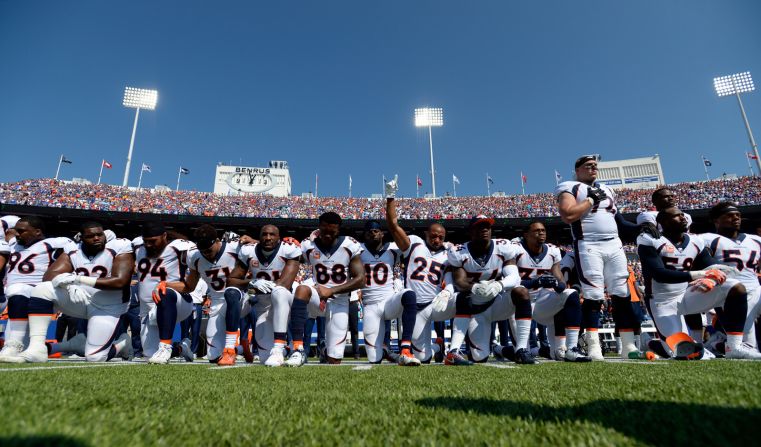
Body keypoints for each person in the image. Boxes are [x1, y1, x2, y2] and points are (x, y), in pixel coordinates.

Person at [556, 155, 654, 360]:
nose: (593, 168)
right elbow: (568, 214)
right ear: (577, 170)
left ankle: (628, 346)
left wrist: (640, 227)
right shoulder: (570, 186)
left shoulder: (607, 189)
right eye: (587, 166)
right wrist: (591, 200)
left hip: (614, 244)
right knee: (593, 295)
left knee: (622, 294)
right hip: (589, 244)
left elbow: (618, 221)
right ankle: (593, 347)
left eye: (595, 166)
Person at [638, 207, 759, 359]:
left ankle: (734, 347)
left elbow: (713, 265)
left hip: (687, 295)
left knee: (735, 287)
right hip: (662, 301)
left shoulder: (695, 241)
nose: (682, 218)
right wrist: (701, 274)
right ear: (663, 222)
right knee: (686, 353)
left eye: (682, 215)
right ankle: (650, 343)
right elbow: (659, 274)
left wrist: (713, 277)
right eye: (676, 216)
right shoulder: (650, 240)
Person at [14, 221, 135, 362]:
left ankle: (122, 344)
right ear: (81, 238)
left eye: (99, 234)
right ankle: (37, 348)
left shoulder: (119, 246)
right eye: (91, 236)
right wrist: (66, 285)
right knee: (42, 289)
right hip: (81, 299)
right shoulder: (73, 248)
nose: (97, 238)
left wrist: (77, 280)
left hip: (109, 307)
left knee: (95, 357)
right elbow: (49, 276)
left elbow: (120, 282)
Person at [385, 176, 453, 363]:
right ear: (426, 234)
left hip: (436, 304)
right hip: (415, 308)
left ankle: (457, 349)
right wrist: (390, 196)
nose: (437, 240)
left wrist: (448, 292)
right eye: (434, 236)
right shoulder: (415, 243)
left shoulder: (448, 254)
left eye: (441, 237)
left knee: (466, 299)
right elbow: (393, 225)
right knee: (423, 358)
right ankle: (438, 345)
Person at [444, 216, 529, 365]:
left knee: (520, 292)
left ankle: (522, 349)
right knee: (479, 357)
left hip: (498, 302)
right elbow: (459, 282)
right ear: (471, 231)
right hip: (476, 309)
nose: (484, 230)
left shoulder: (503, 247)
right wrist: (475, 287)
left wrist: (499, 285)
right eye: (479, 227)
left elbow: (514, 276)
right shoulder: (459, 252)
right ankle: (499, 349)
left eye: (487, 227)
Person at [0, 216, 75, 361]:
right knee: (23, 348)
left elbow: (76, 256)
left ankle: (13, 346)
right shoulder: (13, 243)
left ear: (37, 232)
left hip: (40, 292)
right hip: (15, 298)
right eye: (16, 231)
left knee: (18, 289)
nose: (17, 234)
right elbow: (8, 228)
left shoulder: (54, 243)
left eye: (22, 231)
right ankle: (71, 345)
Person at [293, 212, 365, 365]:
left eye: (332, 231)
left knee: (334, 361)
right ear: (319, 227)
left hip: (339, 301)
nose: (327, 234)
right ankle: (297, 348)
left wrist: (331, 290)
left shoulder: (349, 245)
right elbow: (289, 258)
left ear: (338, 230)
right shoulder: (308, 245)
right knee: (302, 289)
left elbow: (361, 280)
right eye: (324, 230)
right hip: (317, 297)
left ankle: (326, 352)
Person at [513, 221, 590, 362]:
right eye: (537, 230)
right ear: (526, 234)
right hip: (515, 305)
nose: (541, 233)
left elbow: (561, 282)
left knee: (571, 294)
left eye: (543, 230)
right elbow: (510, 281)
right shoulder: (515, 250)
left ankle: (572, 348)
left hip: (540, 303)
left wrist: (555, 283)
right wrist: (535, 282)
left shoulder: (553, 251)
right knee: (484, 355)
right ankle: (505, 349)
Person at [230, 224, 305, 366]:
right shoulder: (248, 251)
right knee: (265, 359)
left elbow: (285, 284)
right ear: (259, 237)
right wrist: (251, 282)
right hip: (263, 308)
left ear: (279, 238)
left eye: (272, 235)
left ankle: (281, 348)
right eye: (264, 234)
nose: (268, 238)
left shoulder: (288, 249)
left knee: (279, 291)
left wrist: (255, 287)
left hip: (286, 303)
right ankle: (283, 351)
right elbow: (231, 280)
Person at [699, 202, 761, 352]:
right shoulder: (706, 239)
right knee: (748, 346)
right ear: (716, 220)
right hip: (729, 293)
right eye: (729, 215)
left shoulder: (756, 240)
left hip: (756, 288)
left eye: (738, 215)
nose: (735, 218)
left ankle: (720, 342)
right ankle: (719, 344)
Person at [183, 224, 247, 366]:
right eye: (203, 250)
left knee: (230, 292)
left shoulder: (234, 247)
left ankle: (230, 349)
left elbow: (261, 249)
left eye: (209, 250)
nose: (206, 253)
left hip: (241, 299)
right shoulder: (194, 256)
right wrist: (167, 285)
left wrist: (252, 240)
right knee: (213, 357)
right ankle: (241, 348)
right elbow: (190, 286)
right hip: (217, 303)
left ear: (217, 240)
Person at [358, 220, 420, 365]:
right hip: (370, 306)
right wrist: (312, 238)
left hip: (389, 302)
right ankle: (385, 351)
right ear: (364, 235)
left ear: (382, 234)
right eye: (369, 232)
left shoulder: (393, 248)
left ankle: (405, 349)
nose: (372, 234)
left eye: (376, 231)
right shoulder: (357, 249)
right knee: (374, 359)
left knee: (409, 294)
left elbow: (413, 246)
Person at [133, 222, 195, 364]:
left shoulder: (178, 247)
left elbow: (202, 253)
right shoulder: (137, 246)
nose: (148, 245)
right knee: (150, 355)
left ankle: (166, 345)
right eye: (146, 241)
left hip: (177, 302)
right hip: (148, 310)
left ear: (164, 236)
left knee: (164, 293)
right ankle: (180, 348)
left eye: (153, 241)